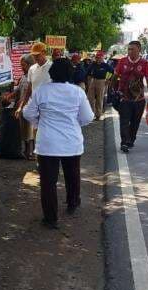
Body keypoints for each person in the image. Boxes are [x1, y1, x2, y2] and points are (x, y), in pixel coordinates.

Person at [23, 58, 94, 229]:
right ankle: (72, 203)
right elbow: (88, 117)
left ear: (51, 72)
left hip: (48, 143)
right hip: (71, 142)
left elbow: (28, 113)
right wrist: (74, 124)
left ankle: (50, 218)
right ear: (71, 73)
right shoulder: (77, 92)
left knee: (48, 182)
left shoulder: (41, 91)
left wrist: (39, 123)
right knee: (73, 175)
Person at [113, 40, 148, 153]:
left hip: (139, 99)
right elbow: (115, 76)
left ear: (139, 50)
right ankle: (124, 142)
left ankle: (131, 140)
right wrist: (113, 91)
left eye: (132, 49)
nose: (130, 51)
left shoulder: (144, 63)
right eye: (129, 49)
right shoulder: (122, 61)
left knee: (135, 122)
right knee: (124, 121)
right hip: (124, 98)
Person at [14, 54, 37, 160]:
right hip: (22, 107)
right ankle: (27, 151)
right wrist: (9, 96)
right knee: (24, 131)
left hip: (31, 107)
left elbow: (30, 93)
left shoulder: (35, 77)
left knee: (31, 131)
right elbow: (18, 90)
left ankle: (32, 153)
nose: (22, 67)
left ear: (30, 65)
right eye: (21, 65)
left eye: (23, 65)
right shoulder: (23, 76)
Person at [86, 51, 113, 120]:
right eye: (97, 57)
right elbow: (88, 72)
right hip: (93, 80)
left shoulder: (105, 65)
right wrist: (89, 81)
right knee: (90, 98)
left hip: (102, 81)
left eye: (99, 57)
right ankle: (91, 113)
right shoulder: (93, 64)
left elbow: (111, 71)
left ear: (102, 58)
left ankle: (98, 114)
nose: (98, 59)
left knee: (99, 98)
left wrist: (108, 79)